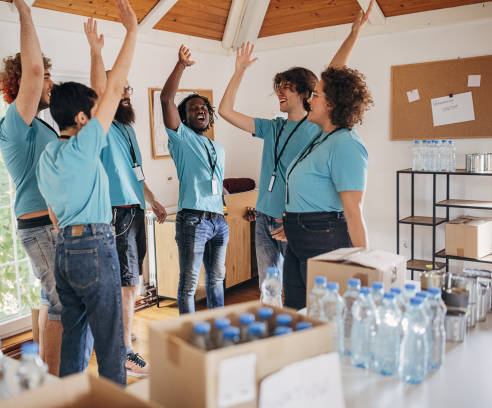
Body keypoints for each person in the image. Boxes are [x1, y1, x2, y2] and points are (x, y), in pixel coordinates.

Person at [218, 1, 374, 298]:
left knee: (310, 299)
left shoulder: (323, 131)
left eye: (287, 87)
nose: (279, 91)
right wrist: (238, 71)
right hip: (272, 219)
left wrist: (353, 35)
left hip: (299, 225)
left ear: (309, 95)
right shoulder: (280, 128)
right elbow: (225, 110)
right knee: (273, 292)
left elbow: (334, 75)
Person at [35, 0, 138, 386]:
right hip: (95, 246)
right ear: (82, 119)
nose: (99, 118)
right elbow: (112, 88)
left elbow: (99, 94)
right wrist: (132, 33)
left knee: (76, 341)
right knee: (111, 344)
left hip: (64, 252)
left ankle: (72, 398)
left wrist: (95, 51)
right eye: (92, 115)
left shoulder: (50, 154)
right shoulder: (85, 146)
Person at [0, 0, 83, 376]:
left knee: (57, 302)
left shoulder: (42, 127)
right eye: (47, 77)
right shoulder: (16, 125)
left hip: (54, 226)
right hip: (39, 228)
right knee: (62, 303)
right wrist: (24, 9)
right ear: (23, 85)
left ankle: (53, 377)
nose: (50, 83)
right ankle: (54, 386)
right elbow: (32, 70)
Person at [84, 17, 167, 377]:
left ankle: (121, 345)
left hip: (134, 212)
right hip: (115, 215)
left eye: (129, 89)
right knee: (127, 285)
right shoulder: (99, 128)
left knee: (130, 284)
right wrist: (96, 51)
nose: (127, 93)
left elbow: (137, 173)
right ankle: (123, 353)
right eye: (122, 89)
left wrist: (152, 199)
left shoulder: (128, 130)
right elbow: (104, 88)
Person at [282, 48, 374, 310]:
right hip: (300, 238)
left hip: (323, 238)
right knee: (297, 315)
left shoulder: (346, 145)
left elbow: (354, 212)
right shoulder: (322, 135)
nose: (309, 100)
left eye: (316, 95)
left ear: (332, 104)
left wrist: (363, 266)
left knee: (327, 317)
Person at [160, 46, 229, 315]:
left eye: (203, 107)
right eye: (193, 109)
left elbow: (214, 180)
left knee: (217, 280)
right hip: (193, 221)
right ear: (185, 117)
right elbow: (166, 99)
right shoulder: (181, 139)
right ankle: (188, 335)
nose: (200, 110)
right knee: (189, 285)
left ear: (209, 115)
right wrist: (180, 65)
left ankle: (217, 330)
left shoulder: (218, 148)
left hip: (218, 221)